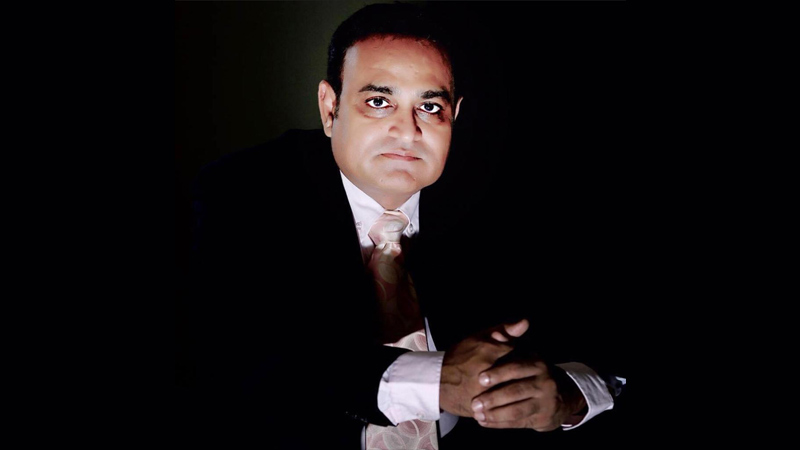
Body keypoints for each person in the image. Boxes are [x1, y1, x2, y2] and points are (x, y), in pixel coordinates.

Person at [177, 3, 626, 449]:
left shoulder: (509, 200)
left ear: (455, 116)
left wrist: (570, 396)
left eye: (429, 107)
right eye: (378, 102)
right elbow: (244, 356)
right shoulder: (238, 194)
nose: (408, 132)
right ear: (330, 109)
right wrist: (436, 381)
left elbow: (602, 340)